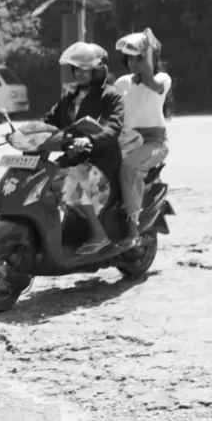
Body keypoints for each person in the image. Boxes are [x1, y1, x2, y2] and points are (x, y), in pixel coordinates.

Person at [28, 42, 126, 255]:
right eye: (77, 68)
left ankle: (99, 234)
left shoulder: (111, 95)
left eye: (85, 68)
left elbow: (113, 127)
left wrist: (90, 140)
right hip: (75, 157)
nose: (79, 73)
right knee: (41, 179)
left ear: (99, 70)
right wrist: (28, 133)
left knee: (70, 181)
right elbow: (50, 121)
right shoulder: (69, 96)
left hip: (101, 161)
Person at [111, 29, 171, 251]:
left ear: (152, 58)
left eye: (139, 57)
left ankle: (133, 232)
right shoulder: (122, 83)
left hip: (154, 143)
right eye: (130, 57)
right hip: (127, 140)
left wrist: (148, 52)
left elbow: (152, 83)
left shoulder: (162, 79)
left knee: (128, 167)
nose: (133, 63)